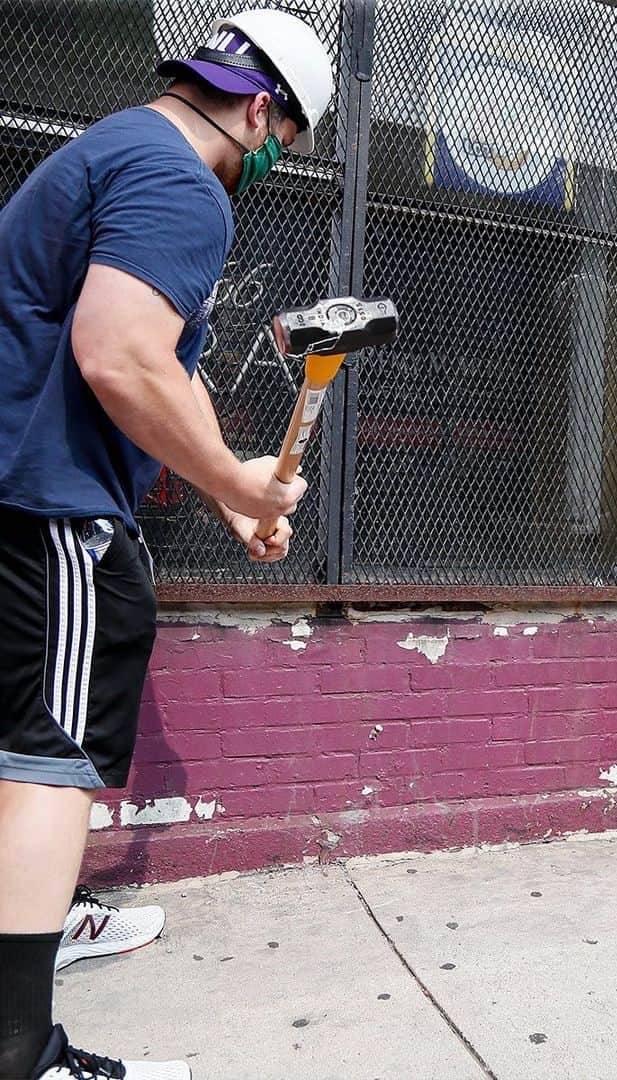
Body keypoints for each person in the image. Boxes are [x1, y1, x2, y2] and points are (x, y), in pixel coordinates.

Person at [0, 9, 332, 1077]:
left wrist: (231, 493)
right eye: (285, 139)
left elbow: (166, 352)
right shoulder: (183, 181)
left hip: (20, 498)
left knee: (20, 763)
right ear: (258, 105)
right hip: (50, 509)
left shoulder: (111, 151)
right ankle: (22, 1054)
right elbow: (119, 354)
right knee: (48, 766)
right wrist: (239, 476)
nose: (275, 161)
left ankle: (45, 928)